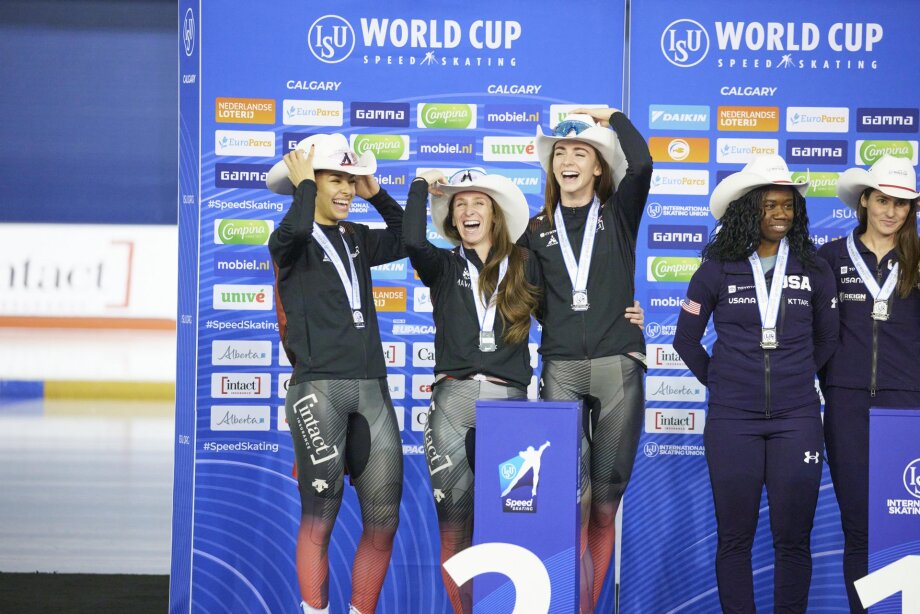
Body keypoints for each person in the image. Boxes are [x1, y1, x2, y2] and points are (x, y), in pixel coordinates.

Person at [673, 155, 839, 613]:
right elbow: (685, 339)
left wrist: (798, 374)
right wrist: (724, 384)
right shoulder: (716, 269)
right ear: (749, 209)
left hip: (797, 420)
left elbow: (829, 338)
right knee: (734, 539)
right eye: (769, 205)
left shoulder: (814, 268)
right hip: (732, 422)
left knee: (793, 540)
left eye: (787, 205)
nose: (781, 214)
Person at [518, 107, 651, 608]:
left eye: (581, 152)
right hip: (561, 369)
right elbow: (522, 301)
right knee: (567, 505)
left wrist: (613, 117)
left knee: (604, 506)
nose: (568, 160)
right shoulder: (534, 230)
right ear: (551, 166)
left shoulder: (618, 214)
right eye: (561, 153)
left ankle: (586, 605)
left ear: (598, 167)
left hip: (618, 365)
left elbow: (641, 165)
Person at [266, 133, 404, 614]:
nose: (346, 189)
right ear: (310, 182)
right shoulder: (287, 240)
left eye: (350, 179)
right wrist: (302, 186)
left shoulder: (358, 238)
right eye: (335, 179)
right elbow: (299, 228)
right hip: (318, 391)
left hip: (373, 392)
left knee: (384, 519)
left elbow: (409, 237)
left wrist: (375, 193)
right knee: (320, 517)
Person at [402, 168, 541, 613]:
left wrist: (626, 318)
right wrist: (421, 186)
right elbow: (411, 239)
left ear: (495, 215)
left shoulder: (525, 264)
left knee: (509, 525)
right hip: (452, 406)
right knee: (455, 527)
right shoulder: (442, 266)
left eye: (477, 202)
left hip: (511, 409)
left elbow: (573, 314)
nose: (467, 211)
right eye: (459, 205)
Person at [817, 154, 920, 613]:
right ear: (865, 201)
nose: (891, 212)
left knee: (906, 524)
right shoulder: (829, 258)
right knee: (858, 525)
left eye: (901, 204)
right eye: (883, 200)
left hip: (909, 408)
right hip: (847, 405)